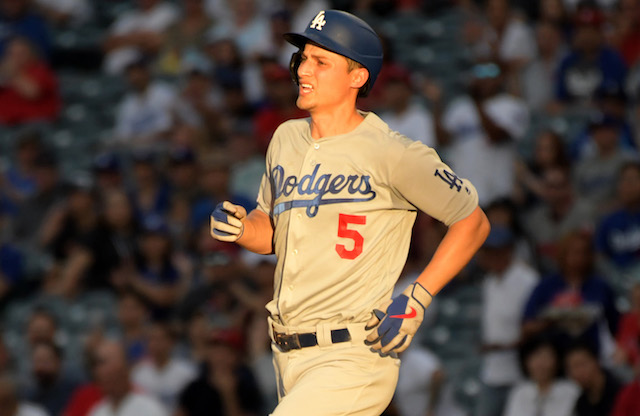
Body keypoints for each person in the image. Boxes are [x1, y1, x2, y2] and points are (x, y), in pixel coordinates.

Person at [210, 9, 490, 415]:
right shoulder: (285, 138)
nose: (304, 68)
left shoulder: (393, 152)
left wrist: (417, 295)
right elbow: (272, 232)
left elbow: (473, 221)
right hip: (288, 355)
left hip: (352, 356)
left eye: (321, 62)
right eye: (303, 57)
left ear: (357, 77)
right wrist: (240, 228)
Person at [475, 226, 539, 416]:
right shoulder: (489, 282)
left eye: (496, 251)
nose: (490, 257)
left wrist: (505, 345)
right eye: (487, 252)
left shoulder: (527, 280)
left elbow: (534, 325)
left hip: (521, 370)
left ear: (508, 250)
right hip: (492, 370)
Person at [503, 336, 580, 416]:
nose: (540, 363)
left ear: (557, 361)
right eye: (535, 357)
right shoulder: (519, 391)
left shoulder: (571, 390)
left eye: (546, 357)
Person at [89, 340, 166, 416]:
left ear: (125, 368)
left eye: (103, 363)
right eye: (96, 365)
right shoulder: (97, 411)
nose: (99, 371)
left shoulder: (150, 409)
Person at [565, 341, 623, 416]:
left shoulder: (620, 390)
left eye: (581, 364)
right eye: (571, 368)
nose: (577, 373)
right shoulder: (581, 404)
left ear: (596, 361)